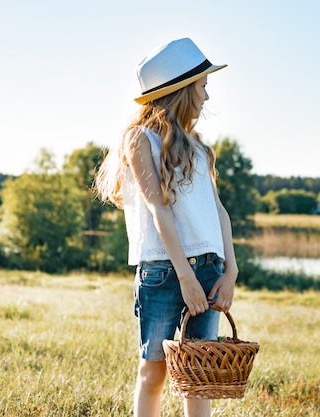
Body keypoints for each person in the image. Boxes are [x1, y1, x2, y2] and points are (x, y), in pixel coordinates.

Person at [94, 38, 238, 417]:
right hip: (163, 270)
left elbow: (218, 211)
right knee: (154, 370)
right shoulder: (140, 139)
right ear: (182, 89)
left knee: (199, 373)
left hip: (208, 268)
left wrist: (231, 270)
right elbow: (160, 210)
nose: (207, 95)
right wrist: (185, 277)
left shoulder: (199, 145)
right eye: (203, 85)